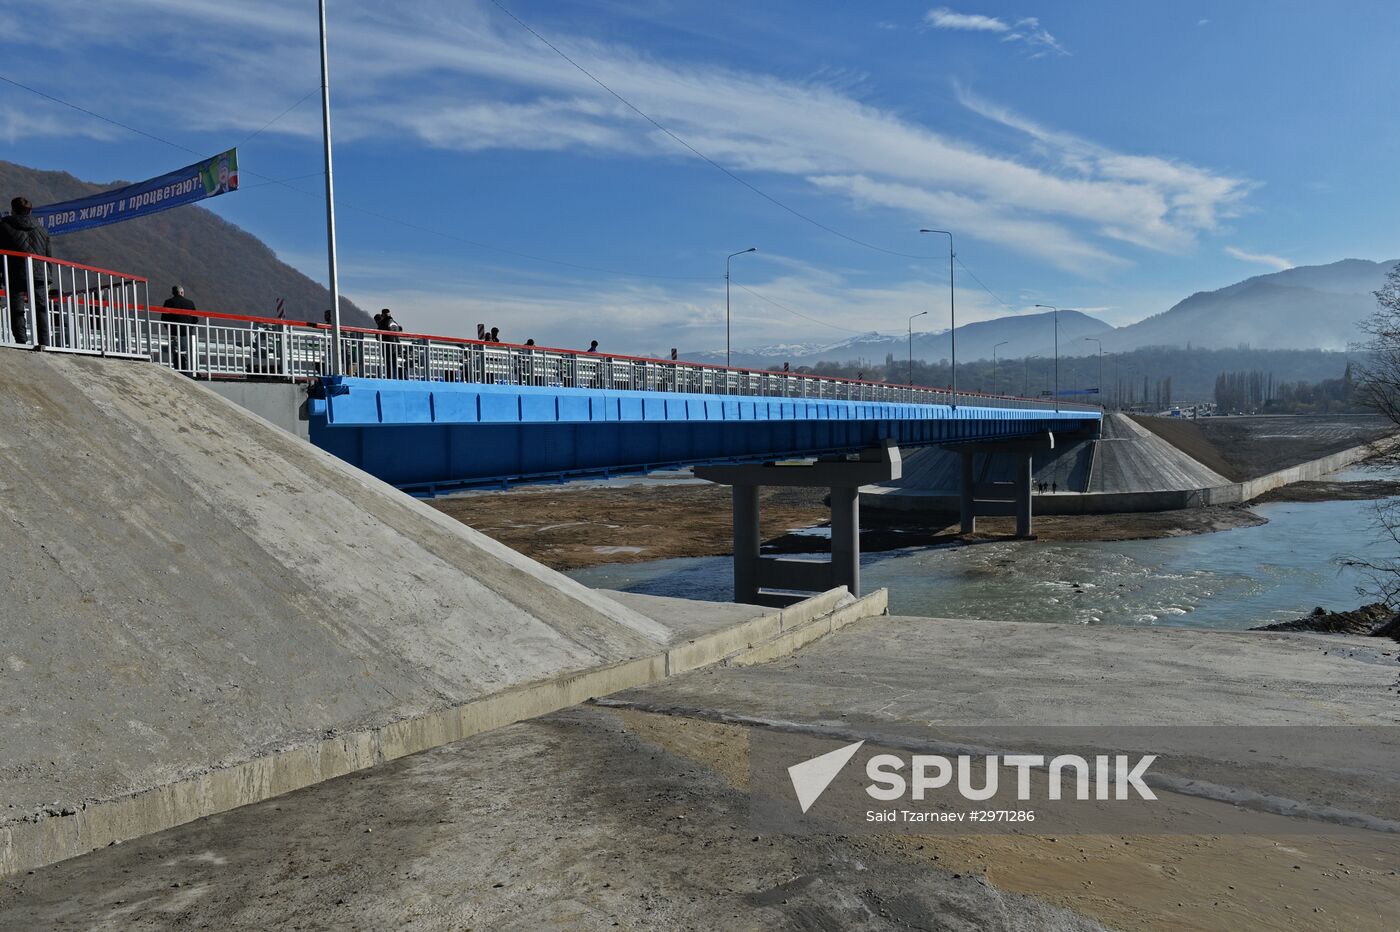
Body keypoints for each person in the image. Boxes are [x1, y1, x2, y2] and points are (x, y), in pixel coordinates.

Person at [0, 197, 53, 347]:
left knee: (17, 309)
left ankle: (21, 342)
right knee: (41, 309)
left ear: (13, 209)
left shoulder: (4, 227)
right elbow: (48, 255)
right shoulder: (42, 230)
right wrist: (49, 278)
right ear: (30, 211)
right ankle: (45, 343)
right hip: (40, 274)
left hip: (15, 273)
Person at [161, 285, 198, 372]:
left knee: (176, 352)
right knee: (187, 352)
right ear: (182, 292)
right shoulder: (190, 303)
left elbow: (164, 318)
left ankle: (178, 370)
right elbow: (195, 319)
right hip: (187, 332)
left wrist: (169, 328)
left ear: (173, 293)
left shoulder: (168, 302)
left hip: (174, 332)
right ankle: (189, 371)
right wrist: (189, 328)